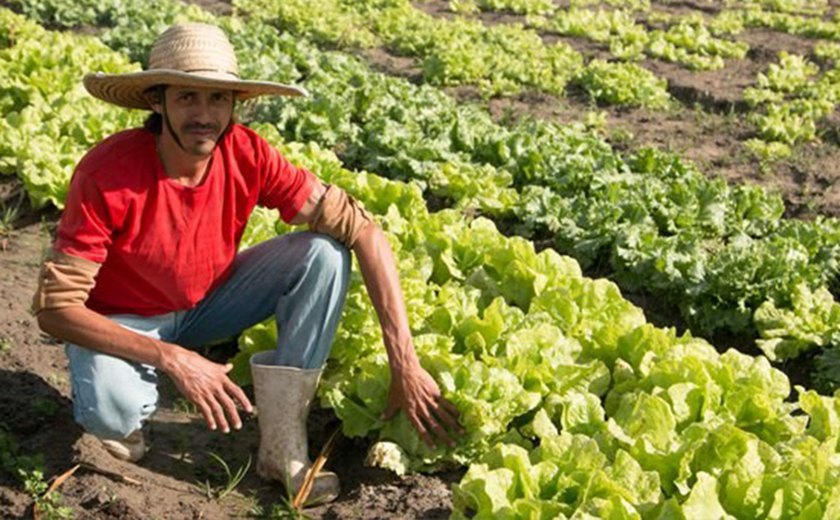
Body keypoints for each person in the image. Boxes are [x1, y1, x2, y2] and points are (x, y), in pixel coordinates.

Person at [33, 22, 462, 506]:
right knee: (113, 418)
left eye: (218, 99)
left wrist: (404, 361)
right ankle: (131, 398)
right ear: (158, 101)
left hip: (207, 304)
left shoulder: (247, 153)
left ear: (236, 105)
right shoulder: (108, 173)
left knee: (323, 253)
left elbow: (363, 228)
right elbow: (55, 310)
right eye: (188, 97)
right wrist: (173, 359)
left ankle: (283, 447)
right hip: (124, 319)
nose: (204, 114)